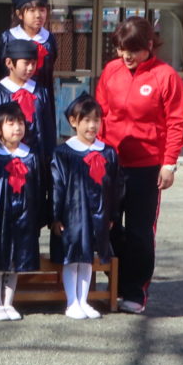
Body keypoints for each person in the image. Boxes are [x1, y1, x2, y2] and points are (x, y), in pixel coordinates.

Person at [94, 16, 183, 314]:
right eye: (122, 49)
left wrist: (169, 164)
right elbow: (100, 114)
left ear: (149, 45)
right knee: (106, 225)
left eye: (133, 49)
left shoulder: (166, 76)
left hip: (147, 165)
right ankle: (117, 282)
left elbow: (175, 123)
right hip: (111, 161)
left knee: (139, 231)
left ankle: (135, 290)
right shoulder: (111, 71)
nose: (127, 56)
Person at [50, 94, 122, 321]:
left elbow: (117, 187)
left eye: (96, 120)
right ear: (73, 122)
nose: (92, 125)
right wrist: (55, 216)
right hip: (72, 215)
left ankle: (84, 300)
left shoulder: (108, 152)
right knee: (72, 257)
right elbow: (56, 186)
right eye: (86, 120)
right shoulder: (64, 153)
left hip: (97, 215)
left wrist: (113, 214)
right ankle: (72, 301)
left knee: (88, 257)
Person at [0, 102, 43, 321]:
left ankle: (9, 303)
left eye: (21, 123)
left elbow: (39, 188)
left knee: (15, 261)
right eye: (11, 123)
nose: (17, 128)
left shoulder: (31, 156)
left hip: (23, 216)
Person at [0, 38, 56, 172]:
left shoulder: (40, 92)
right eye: (26, 63)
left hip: (35, 159)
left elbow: (48, 130)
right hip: (4, 161)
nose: (30, 68)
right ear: (9, 63)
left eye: (34, 63)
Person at [0, 0, 57, 94]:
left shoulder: (49, 39)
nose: (38, 15)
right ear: (19, 14)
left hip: (41, 96)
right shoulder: (8, 37)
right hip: (11, 96)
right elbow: (0, 72)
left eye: (42, 10)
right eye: (32, 11)